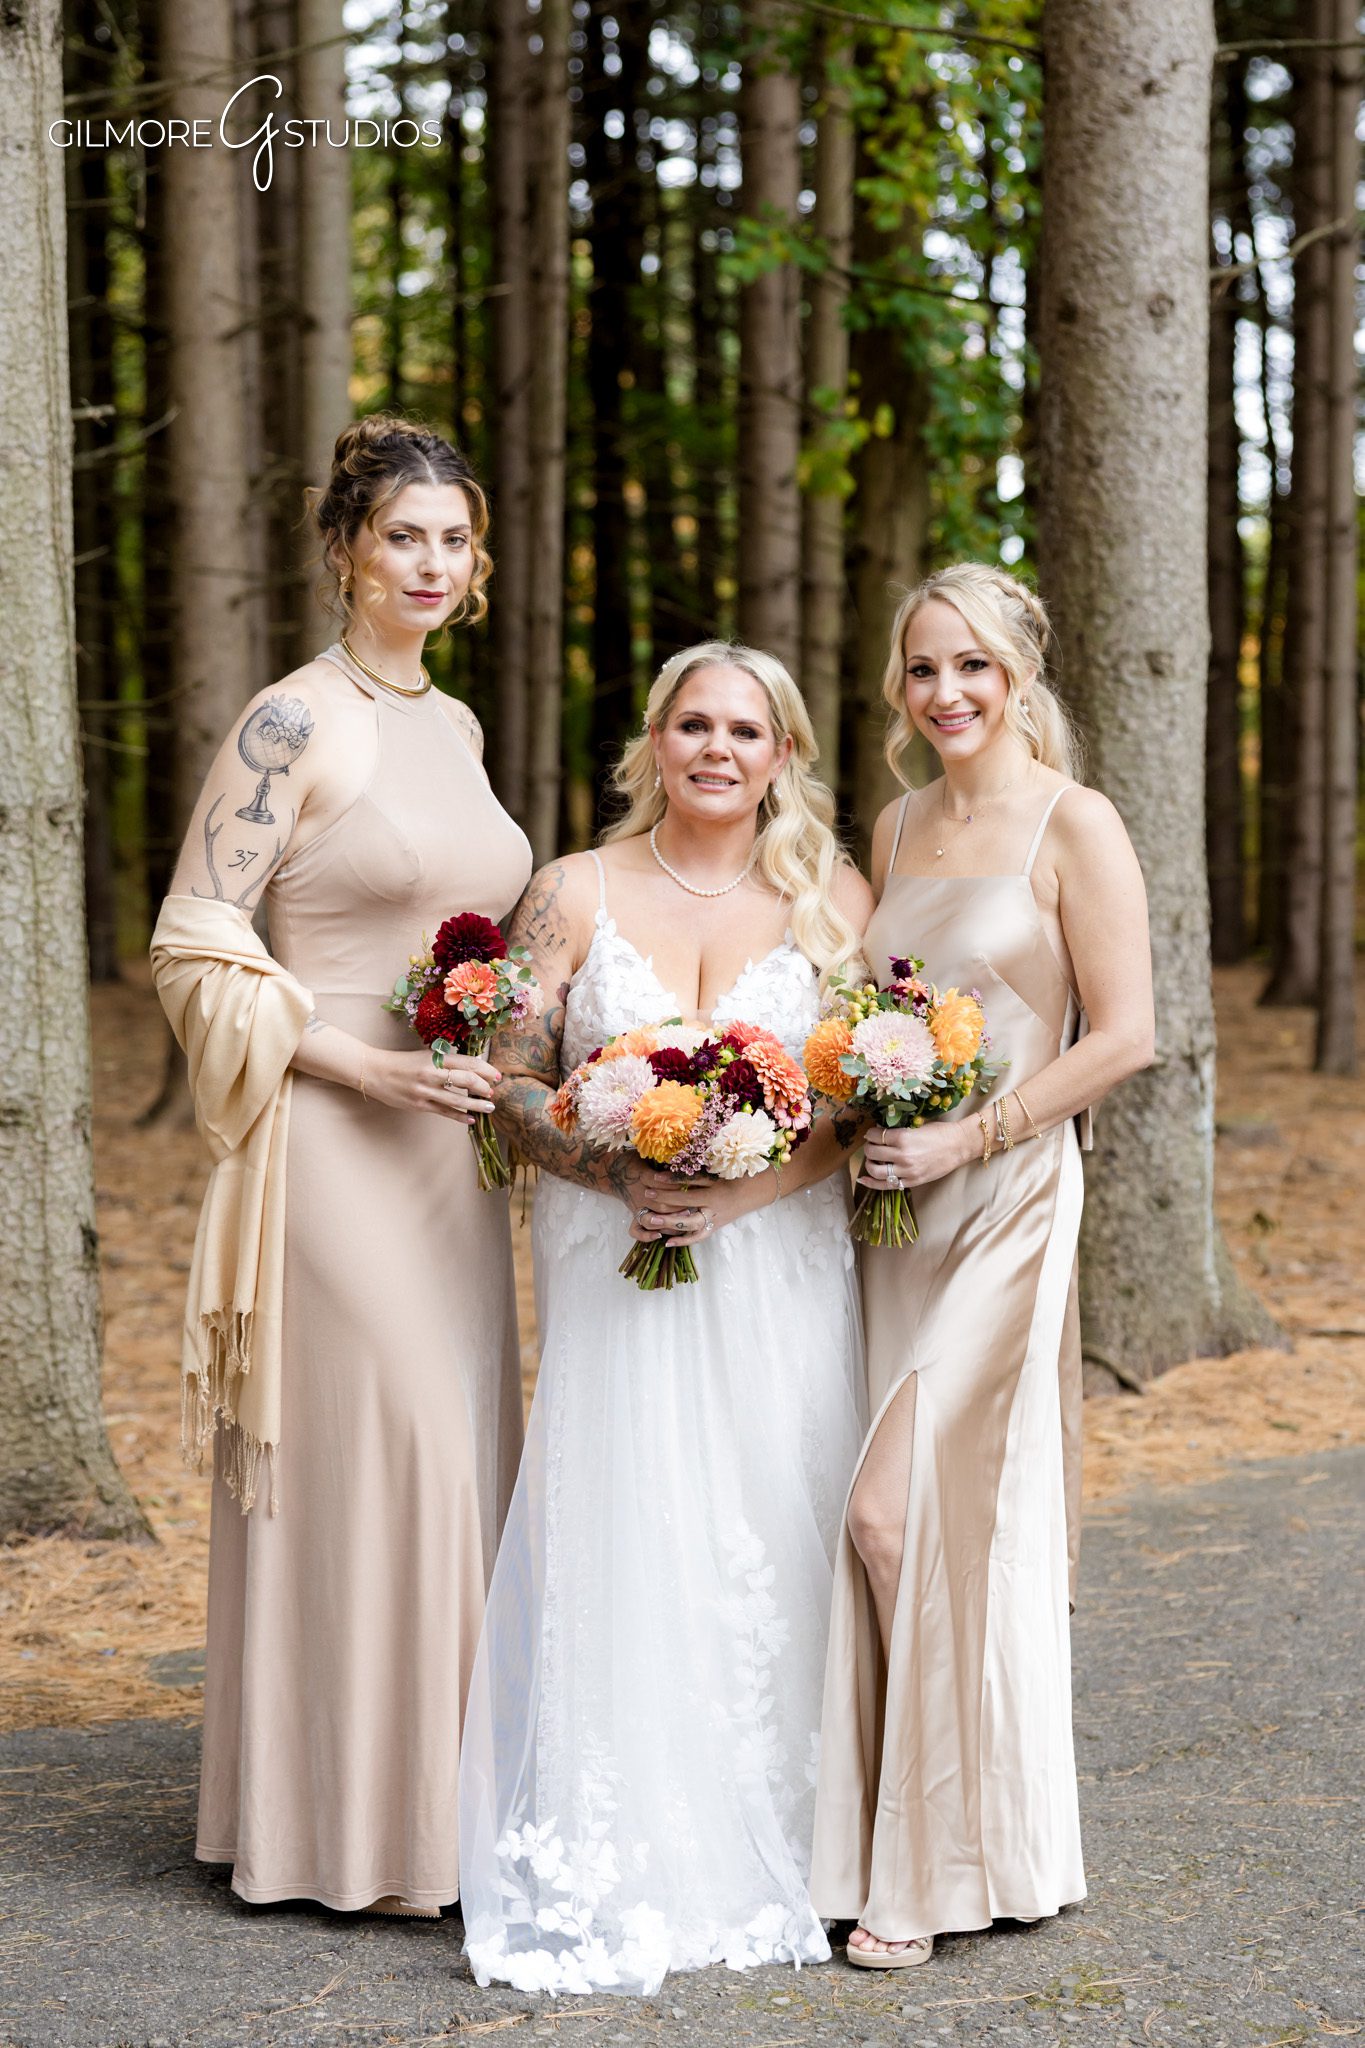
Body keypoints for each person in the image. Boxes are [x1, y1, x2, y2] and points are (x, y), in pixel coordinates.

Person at [150, 414, 531, 1914]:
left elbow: (462, 927)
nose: (430, 564)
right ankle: (343, 1835)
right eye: (402, 538)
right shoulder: (291, 724)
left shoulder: (453, 727)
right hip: (330, 1141)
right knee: (398, 1459)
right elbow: (195, 935)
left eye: (452, 539)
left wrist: (494, 1025)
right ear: (343, 554)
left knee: (457, 1466)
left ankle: (447, 1820)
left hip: (446, 1154)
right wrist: (353, 1055)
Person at [458, 643, 873, 1995]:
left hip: (776, 1268)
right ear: (649, 741)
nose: (715, 750)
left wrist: (737, 1199)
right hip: (609, 1258)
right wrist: (612, 1167)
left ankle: (804, 1845)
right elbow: (508, 1081)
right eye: (690, 724)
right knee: (629, 1527)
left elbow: (857, 1101)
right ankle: (622, 1840)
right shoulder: (568, 893)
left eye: (744, 732)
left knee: (773, 1518)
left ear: (785, 757)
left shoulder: (829, 900)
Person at [810, 564, 1155, 1968]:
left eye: (970, 667)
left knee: (897, 1519)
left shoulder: (1076, 823)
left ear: (1018, 673)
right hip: (891, 1218)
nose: (943, 693)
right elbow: (872, 1014)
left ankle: (933, 1866)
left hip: (1005, 1203)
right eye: (919, 669)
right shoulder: (894, 825)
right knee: (911, 1524)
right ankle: (904, 1838)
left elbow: (1124, 1034)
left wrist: (972, 1139)